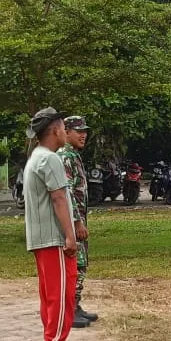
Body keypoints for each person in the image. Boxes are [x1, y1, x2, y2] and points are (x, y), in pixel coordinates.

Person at [22, 108, 82, 341]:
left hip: (41, 237)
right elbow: (59, 198)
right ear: (55, 130)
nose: (64, 130)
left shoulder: (38, 156)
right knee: (60, 292)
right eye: (61, 125)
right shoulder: (50, 159)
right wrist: (70, 235)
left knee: (51, 293)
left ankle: (56, 338)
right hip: (52, 238)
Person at [59, 115, 96, 329]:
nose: (83, 135)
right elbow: (67, 192)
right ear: (66, 133)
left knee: (82, 263)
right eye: (78, 131)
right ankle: (70, 309)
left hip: (80, 218)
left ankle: (76, 304)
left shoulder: (73, 155)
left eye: (85, 131)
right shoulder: (65, 156)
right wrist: (76, 223)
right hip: (74, 222)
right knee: (77, 263)